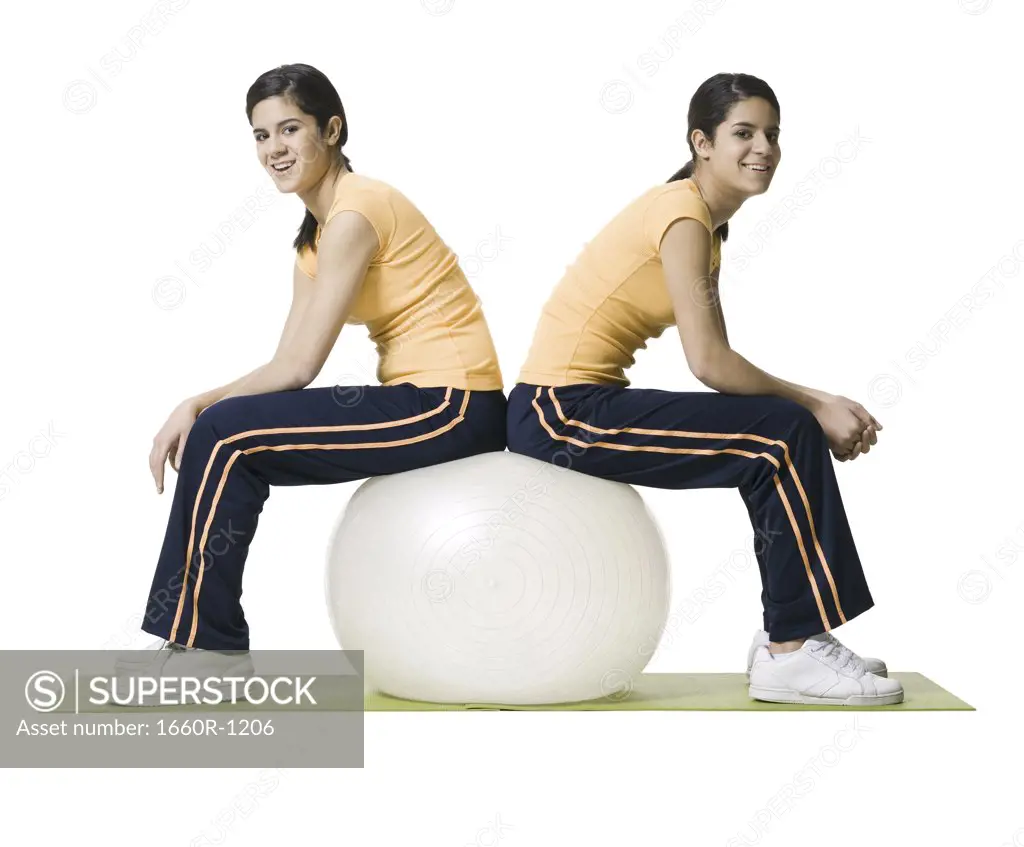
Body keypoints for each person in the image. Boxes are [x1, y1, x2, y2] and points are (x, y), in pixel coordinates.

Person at [506, 72, 902, 706]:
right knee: (781, 430)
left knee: (777, 427)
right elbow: (711, 363)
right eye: (742, 133)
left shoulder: (702, 221)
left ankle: (795, 636)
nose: (763, 148)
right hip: (558, 413)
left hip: (569, 405)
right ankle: (792, 648)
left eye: (772, 134)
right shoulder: (683, 213)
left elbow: (718, 361)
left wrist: (808, 405)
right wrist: (819, 403)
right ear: (702, 143)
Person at [118, 64, 506, 685]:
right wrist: (200, 404)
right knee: (227, 434)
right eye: (260, 135)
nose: (274, 148)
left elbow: (301, 365)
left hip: (454, 404)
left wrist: (197, 407)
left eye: (289, 129)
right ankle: (201, 642)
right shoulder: (314, 240)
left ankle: (205, 647)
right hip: (421, 400)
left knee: (225, 432)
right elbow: (284, 365)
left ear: (332, 129)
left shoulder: (359, 210)